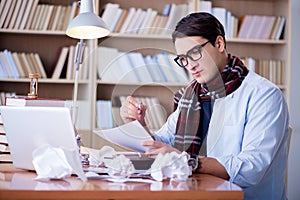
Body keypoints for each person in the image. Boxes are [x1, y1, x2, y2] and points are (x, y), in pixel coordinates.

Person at [120, 12, 290, 200]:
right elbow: (165, 144)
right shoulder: (191, 95)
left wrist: (187, 161)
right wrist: (137, 125)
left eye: (194, 53)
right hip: (195, 194)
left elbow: (251, 168)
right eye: (183, 59)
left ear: (219, 44)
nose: (190, 66)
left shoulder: (264, 95)